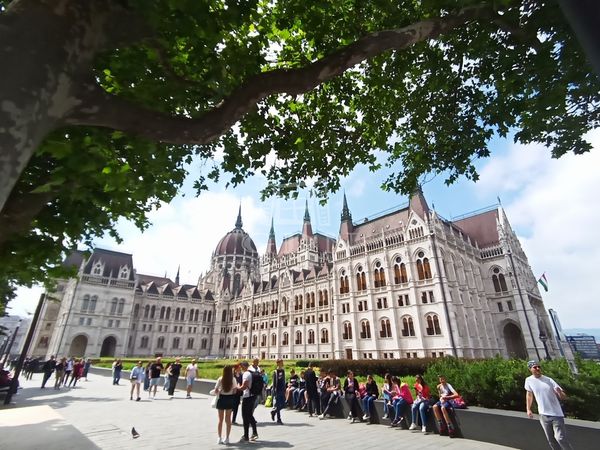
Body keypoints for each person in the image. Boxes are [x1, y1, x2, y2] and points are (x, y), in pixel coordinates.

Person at [525, 360, 573, 450]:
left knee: (560, 438)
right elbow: (529, 395)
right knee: (551, 440)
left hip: (556, 414)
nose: (538, 368)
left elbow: (563, 397)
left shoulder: (549, 380)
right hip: (543, 415)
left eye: (539, 367)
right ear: (530, 369)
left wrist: (559, 393)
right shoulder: (528, 380)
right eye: (535, 367)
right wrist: (528, 409)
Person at [214, 365, 237, 445]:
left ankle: (219, 437)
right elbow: (235, 391)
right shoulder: (233, 379)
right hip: (230, 399)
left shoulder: (220, 379)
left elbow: (216, 390)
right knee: (228, 420)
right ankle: (227, 438)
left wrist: (220, 391)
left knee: (220, 420)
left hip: (222, 399)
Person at [238, 361, 258, 442]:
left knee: (245, 416)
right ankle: (254, 433)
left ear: (243, 366)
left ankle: (246, 436)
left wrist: (237, 387)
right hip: (252, 395)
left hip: (247, 397)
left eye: (240, 366)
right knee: (249, 415)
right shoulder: (251, 372)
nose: (240, 368)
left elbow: (244, 386)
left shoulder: (246, 374)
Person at [270, 358, 286, 424]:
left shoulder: (283, 371)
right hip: (277, 389)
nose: (282, 363)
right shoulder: (275, 372)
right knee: (278, 404)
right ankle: (279, 419)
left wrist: (285, 388)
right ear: (278, 363)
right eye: (281, 362)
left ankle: (274, 412)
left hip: (282, 389)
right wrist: (274, 390)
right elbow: (274, 382)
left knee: (283, 404)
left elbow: (283, 380)